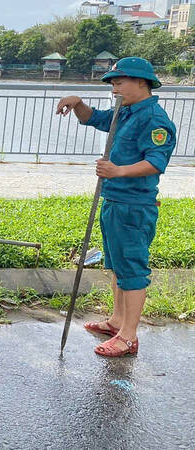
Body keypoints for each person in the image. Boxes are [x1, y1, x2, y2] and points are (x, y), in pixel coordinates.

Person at [56, 56, 176, 358]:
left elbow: (155, 163)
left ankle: (128, 336)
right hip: (114, 200)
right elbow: (95, 118)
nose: (114, 88)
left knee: (132, 270)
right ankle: (117, 321)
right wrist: (77, 103)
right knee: (118, 266)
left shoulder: (155, 120)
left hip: (134, 205)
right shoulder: (125, 112)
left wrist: (117, 171)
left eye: (120, 82)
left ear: (141, 82)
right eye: (112, 82)